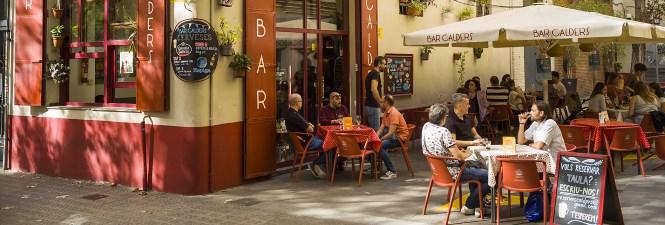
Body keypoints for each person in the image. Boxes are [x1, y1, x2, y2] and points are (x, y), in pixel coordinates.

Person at [422, 103, 489, 217]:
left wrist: (457, 153)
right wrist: (470, 152)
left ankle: (478, 206)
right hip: (453, 171)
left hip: (438, 171)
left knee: (476, 171)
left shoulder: (426, 127)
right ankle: (470, 205)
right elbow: (459, 157)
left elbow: (443, 149)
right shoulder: (444, 132)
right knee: (489, 175)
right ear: (443, 118)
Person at [284, 94, 327, 179]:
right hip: (308, 143)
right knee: (332, 145)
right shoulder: (295, 116)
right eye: (301, 101)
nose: (302, 103)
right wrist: (308, 126)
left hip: (302, 143)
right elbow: (311, 129)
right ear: (297, 103)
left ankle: (321, 166)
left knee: (326, 142)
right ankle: (316, 163)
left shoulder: (289, 113)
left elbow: (305, 125)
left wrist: (307, 125)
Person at [376, 94, 409, 180]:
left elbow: (390, 133)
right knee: (375, 143)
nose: (380, 104)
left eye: (381, 102)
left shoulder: (393, 113)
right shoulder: (386, 113)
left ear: (386, 103)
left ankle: (392, 171)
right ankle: (375, 168)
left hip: (400, 139)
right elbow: (381, 128)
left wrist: (379, 140)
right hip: (394, 137)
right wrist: (375, 137)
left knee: (380, 145)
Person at [365, 56, 386, 131]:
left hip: (369, 105)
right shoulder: (376, 74)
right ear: (379, 64)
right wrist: (381, 102)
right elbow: (374, 89)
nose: (385, 66)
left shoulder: (370, 73)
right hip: (373, 105)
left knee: (373, 130)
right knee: (376, 130)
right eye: (384, 64)